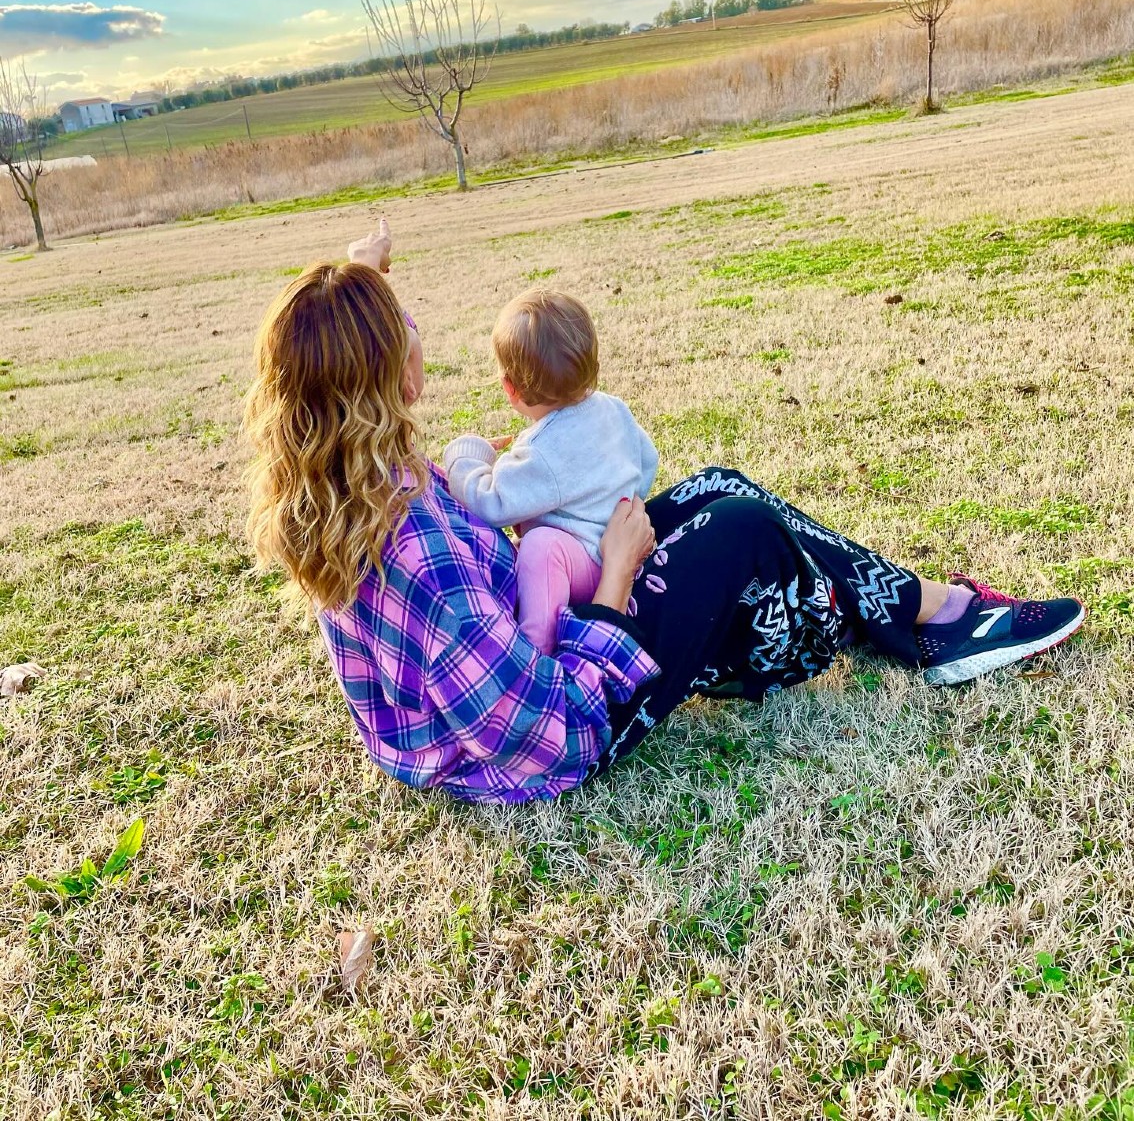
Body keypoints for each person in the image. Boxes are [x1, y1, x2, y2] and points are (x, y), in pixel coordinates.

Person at [244, 225, 1087, 805]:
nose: (421, 342)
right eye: (405, 334)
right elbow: (549, 737)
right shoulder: (419, 556)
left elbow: (344, 348)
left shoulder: (348, 472)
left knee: (720, 486)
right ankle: (923, 620)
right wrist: (614, 580)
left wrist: (365, 269)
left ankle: (922, 611)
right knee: (740, 533)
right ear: (392, 377)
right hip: (557, 711)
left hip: (537, 627)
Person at [441, 289, 658, 653]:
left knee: (541, 546)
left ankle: (536, 646)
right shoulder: (613, 408)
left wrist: (465, 457)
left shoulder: (542, 451)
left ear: (511, 388)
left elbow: (488, 503)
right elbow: (647, 461)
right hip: (620, 543)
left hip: (588, 569)